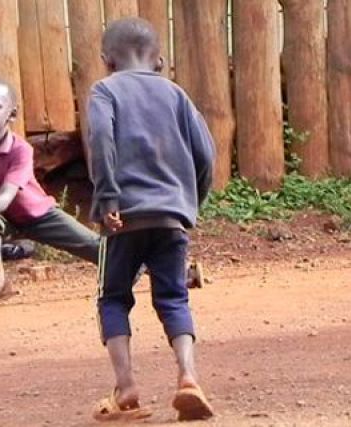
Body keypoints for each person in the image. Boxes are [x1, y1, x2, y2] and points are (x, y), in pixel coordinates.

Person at [0, 77, 204, 309]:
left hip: (38, 215)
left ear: (12, 115)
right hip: (0, 221)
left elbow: (5, 197)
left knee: (103, 252)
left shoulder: (20, 150)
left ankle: (181, 273)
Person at [87, 17, 215, 422]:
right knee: (174, 297)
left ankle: (126, 389)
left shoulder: (104, 91)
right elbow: (206, 155)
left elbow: (101, 139)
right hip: (171, 217)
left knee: (113, 298)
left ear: (106, 60)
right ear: (160, 60)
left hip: (122, 219)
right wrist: (189, 201)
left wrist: (107, 196)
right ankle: (189, 376)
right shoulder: (177, 95)